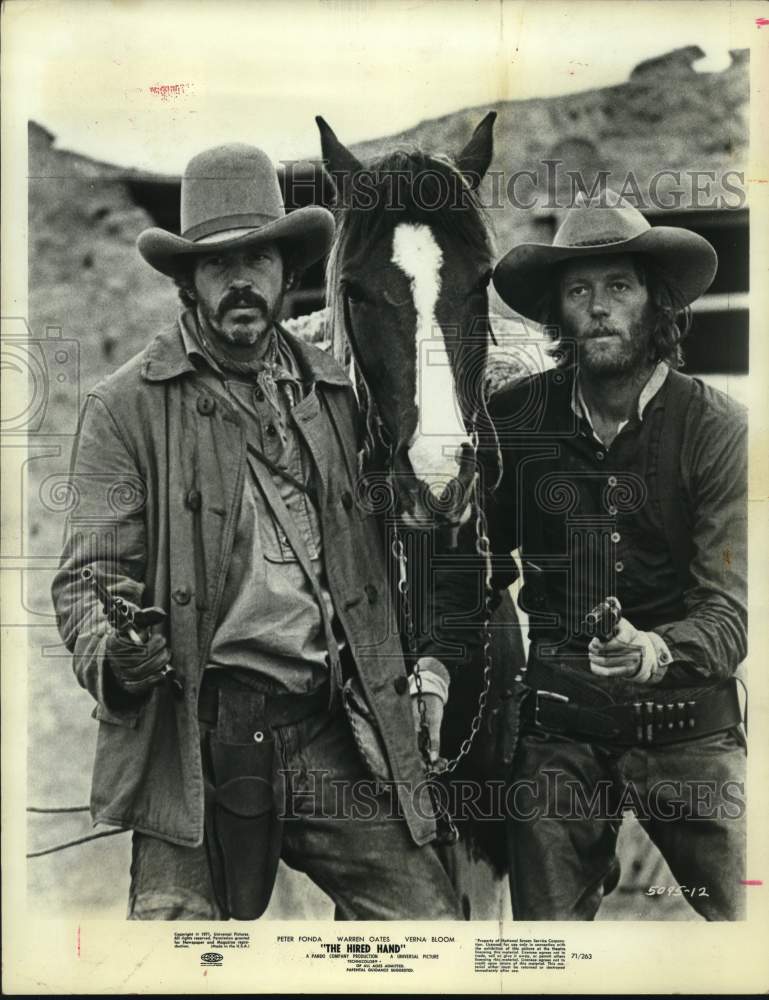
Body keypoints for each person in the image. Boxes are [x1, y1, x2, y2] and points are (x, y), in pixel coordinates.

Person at [51, 143, 461, 921]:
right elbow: (86, 582)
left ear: (285, 270)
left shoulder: (333, 392)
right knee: (172, 948)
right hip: (192, 736)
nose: (240, 280)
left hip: (324, 724)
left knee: (431, 934)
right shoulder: (127, 407)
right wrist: (118, 652)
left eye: (258, 259)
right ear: (187, 280)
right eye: (217, 263)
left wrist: (423, 667)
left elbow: (404, 543)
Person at [483, 189, 747, 920]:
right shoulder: (515, 419)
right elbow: (475, 569)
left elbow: (727, 615)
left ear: (655, 303)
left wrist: (653, 651)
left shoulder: (717, 428)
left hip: (688, 722)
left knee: (746, 919)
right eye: (578, 291)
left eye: (619, 287)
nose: (599, 308)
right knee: (547, 949)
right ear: (557, 312)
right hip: (561, 728)